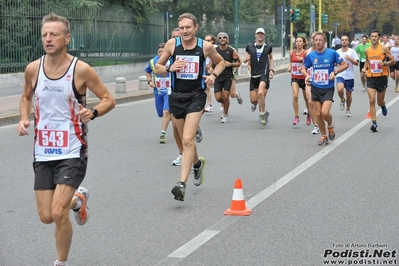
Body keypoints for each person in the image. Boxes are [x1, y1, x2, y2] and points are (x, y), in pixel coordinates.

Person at [16, 13, 115, 266]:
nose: (48, 39)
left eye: (54, 34)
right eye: (44, 35)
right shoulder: (33, 69)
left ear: (67, 38)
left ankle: (61, 262)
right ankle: (78, 200)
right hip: (43, 152)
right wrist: (23, 118)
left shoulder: (80, 70)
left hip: (73, 150)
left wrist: (92, 112)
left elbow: (108, 99)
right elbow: (26, 96)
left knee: (58, 213)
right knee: (46, 216)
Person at [154, 13, 224, 201]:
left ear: (196, 27)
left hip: (196, 97)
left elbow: (221, 63)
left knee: (187, 139)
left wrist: (213, 76)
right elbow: (157, 68)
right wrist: (169, 68)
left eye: (188, 27)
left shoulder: (205, 46)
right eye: (182, 28)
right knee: (184, 139)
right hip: (176, 97)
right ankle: (197, 164)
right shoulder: (172, 45)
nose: (185, 31)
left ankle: (181, 184)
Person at [302, 31, 347, 146]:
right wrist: (306, 75)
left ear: (325, 41)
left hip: (328, 87)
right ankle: (324, 135)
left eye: (320, 40)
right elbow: (303, 68)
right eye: (316, 40)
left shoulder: (332, 53)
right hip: (315, 87)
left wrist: (335, 72)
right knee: (318, 114)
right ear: (313, 42)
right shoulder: (311, 55)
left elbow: (344, 65)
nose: (318, 42)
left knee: (325, 112)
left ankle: (330, 125)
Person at [362, 30, 395, 132]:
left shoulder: (383, 48)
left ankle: (383, 105)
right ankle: (374, 123)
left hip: (382, 77)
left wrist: (384, 64)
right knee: (372, 100)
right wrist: (364, 68)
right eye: (372, 36)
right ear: (370, 38)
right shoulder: (367, 50)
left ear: (379, 37)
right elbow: (367, 61)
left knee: (379, 101)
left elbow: (393, 60)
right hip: (371, 77)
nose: (374, 38)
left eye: (376, 36)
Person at [243, 27, 274, 125]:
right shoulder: (249, 46)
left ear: (264, 35)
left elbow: (271, 58)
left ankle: (262, 113)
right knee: (254, 99)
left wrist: (271, 70)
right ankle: (262, 110)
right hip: (254, 74)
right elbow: (245, 58)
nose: (260, 35)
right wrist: (245, 59)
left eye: (262, 34)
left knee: (261, 93)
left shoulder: (268, 46)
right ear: (255, 35)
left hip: (264, 73)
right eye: (258, 34)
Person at [145, 43, 172, 143]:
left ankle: (162, 133)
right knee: (161, 113)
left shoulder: (172, 60)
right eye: (159, 52)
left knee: (166, 112)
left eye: (163, 51)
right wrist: (149, 81)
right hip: (158, 90)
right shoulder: (153, 61)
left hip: (169, 90)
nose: (161, 53)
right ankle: (171, 116)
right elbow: (148, 72)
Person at [214, 32, 242, 123]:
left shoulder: (231, 51)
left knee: (226, 96)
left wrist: (232, 64)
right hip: (218, 77)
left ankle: (225, 114)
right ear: (218, 40)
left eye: (224, 37)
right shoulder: (215, 51)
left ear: (227, 40)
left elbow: (239, 62)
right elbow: (211, 63)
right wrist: (210, 70)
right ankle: (226, 103)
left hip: (228, 76)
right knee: (218, 98)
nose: (222, 39)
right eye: (220, 38)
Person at [287, 36, 309, 125]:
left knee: (306, 98)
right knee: (295, 96)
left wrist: (303, 60)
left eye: (300, 41)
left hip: (304, 78)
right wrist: (289, 67)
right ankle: (296, 116)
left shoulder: (306, 53)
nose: (298, 43)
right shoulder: (292, 53)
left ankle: (309, 114)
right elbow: (291, 62)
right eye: (297, 41)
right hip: (295, 77)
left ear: (303, 43)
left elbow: (309, 64)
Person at [336, 35, 359, 117]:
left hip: (349, 76)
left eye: (346, 40)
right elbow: (334, 62)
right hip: (340, 74)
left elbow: (356, 63)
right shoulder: (337, 52)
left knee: (349, 95)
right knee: (340, 89)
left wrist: (350, 58)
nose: (344, 41)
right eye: (342, 40)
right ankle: (342, 99)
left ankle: (348, 109)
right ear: (340, 42)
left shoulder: (352, 51)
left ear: (348, 42)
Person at [304, 33, 320, 134]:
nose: (315, 41)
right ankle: (316, 125)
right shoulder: (307, 53)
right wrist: (306, 74)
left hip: (322, 81)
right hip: (310, 79)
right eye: (313, 38)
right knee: (310, 101)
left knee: (320, 106)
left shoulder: (325, 52)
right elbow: (303, 67)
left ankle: (322, 120)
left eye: (317, 39)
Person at [203, 34, 217, 112]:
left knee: (220, 90)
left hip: (215, 70)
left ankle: (222, 102)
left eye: (208, 40)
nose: (206, 42)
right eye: (205, 40)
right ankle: (209, 105)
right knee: (207, 87)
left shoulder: (215, 48)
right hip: (207, 69)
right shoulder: (204, 47)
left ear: (212, 41)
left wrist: (211, 66)